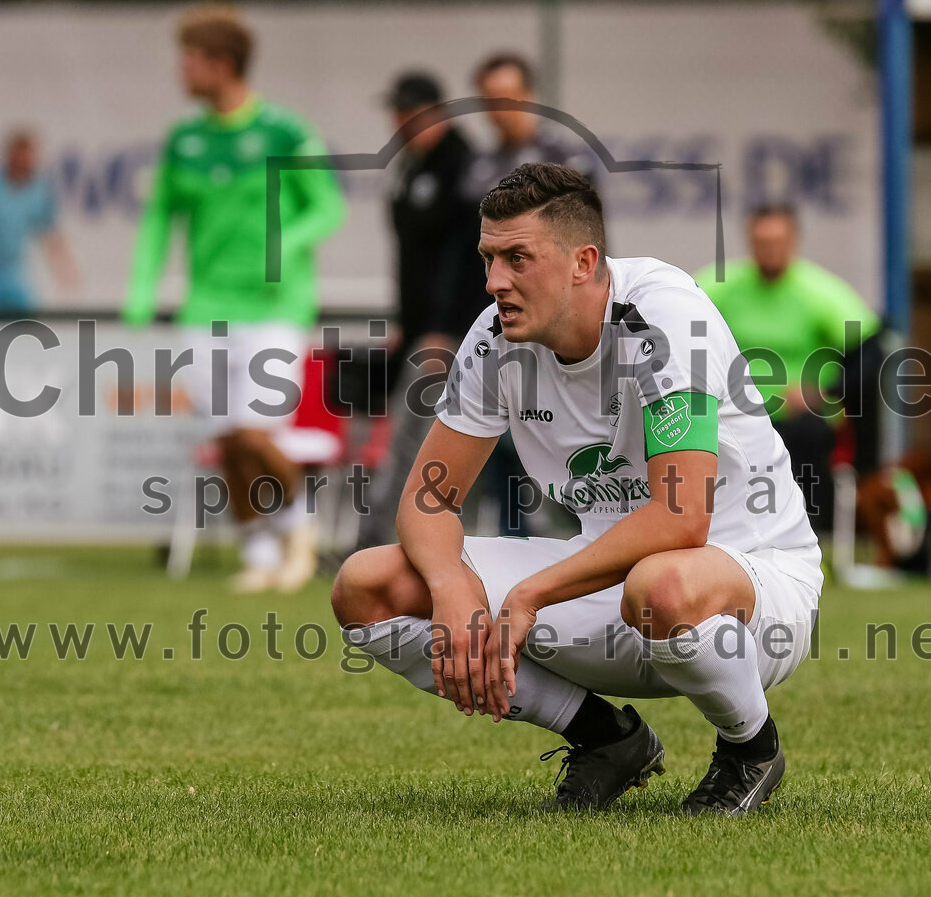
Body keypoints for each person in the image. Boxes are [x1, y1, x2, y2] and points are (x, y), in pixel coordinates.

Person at [332, 162, 822, 816]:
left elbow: (681, 519)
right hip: (609, 585)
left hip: (753, 597)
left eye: (517, 258)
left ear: (582, 262)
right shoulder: (493, 338)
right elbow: (429, 499)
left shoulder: (665, 316)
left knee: (663, 584)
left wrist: (527, 596)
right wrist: (452, 589)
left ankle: (750, 749)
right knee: (368, 587)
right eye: (489, 258)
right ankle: (605, 740)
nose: (495, 281)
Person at [123, 6, 345, 593]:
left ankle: (300, 528)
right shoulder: (184, 139)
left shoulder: (285, 131)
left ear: (221, 65)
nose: (182, 69)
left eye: (190, 58)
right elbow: (158, 219)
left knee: (255, 433)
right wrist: (142, 288)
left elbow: (327, 205)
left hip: (276, 307)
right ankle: (260, 550)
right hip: (205, 308)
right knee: (225, 440)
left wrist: (285, 241)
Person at [465, 53, 596, 535]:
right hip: (495, 320)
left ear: (531, 97)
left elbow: (591, 245)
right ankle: (511, 537)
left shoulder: (568, 162)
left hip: (559, 325)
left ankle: (579, 534)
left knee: (562, 436)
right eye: (490, 99)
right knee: (499, 435)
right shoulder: (476, 167)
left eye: (510, 97)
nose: (500, 108)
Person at [357, 72, 487, 550]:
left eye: (409, 113)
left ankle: (388, 542)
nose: (400, 122)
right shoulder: (411, 166)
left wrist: (441, 329)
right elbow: (411, 262)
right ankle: (389, 540)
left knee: (417, 441)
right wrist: (406, 324)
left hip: (449, 335)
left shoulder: (463, 166)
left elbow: (464, 261)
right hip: (421, 331)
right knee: (407, 438)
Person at [696, 203, 882, 531]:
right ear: (750, 241)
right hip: (735, 413)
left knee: (805, 435)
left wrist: (825, 392)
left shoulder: (819, 291)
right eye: (762, 242)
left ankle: (812, 534)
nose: (770, 250)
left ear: (793, 241)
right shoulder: (721, 286)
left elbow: (870, 352)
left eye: (778, 241)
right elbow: (681, 328)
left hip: (801, 418)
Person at [0, 130, 76, 312]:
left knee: (27, 318)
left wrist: (65, 271)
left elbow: (50, 233)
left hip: (13, 271)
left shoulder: (38, 192)